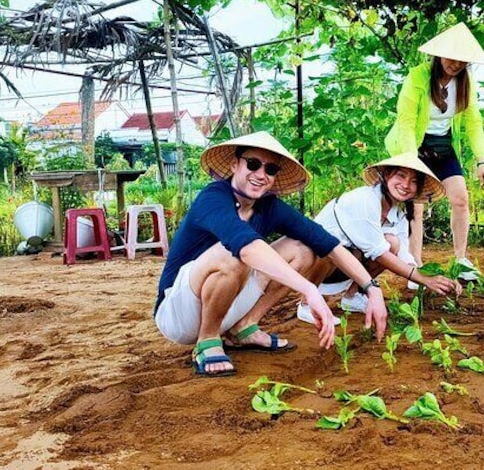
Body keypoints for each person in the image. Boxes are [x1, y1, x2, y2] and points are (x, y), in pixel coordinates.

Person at [154, 131, 387, 377]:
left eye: (271, 169)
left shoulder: (269, 206)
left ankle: (245, 327)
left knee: (304, 249)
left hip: (228, 306)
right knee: (234, 252)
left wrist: (371, 288)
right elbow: (245, 247)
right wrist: (309, 290)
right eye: (253, 164)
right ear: (235, 164)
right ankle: (208, 339)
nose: (261, 175)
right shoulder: (213, 198)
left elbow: (328, 244)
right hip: (179, 312)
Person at [291, 152, 462, 323]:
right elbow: (379, 254)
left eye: (414, 181)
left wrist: (437, 277)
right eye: (401, 176)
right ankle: (307, 304)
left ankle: (352, 296)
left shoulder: (399, 214)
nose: (406, 184)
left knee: (392, 243)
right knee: (329, 245)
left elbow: (403, 254)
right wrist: (423, 279)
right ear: (387, 175)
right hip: (316, 263)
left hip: (347, 264)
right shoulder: (366, 200)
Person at [384, 22, 484, 285]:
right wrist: (411, 160)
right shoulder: (418, 77)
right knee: (416, 207)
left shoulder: (465, 83)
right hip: (413, 145)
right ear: (439, 53)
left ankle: (461, 260)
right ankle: (415, 265)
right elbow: (407, 121)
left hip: (442, 145)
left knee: (460, 199)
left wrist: (482, 160)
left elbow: (473, 122)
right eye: (451, 57)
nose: (455, 64)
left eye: (462, 60)